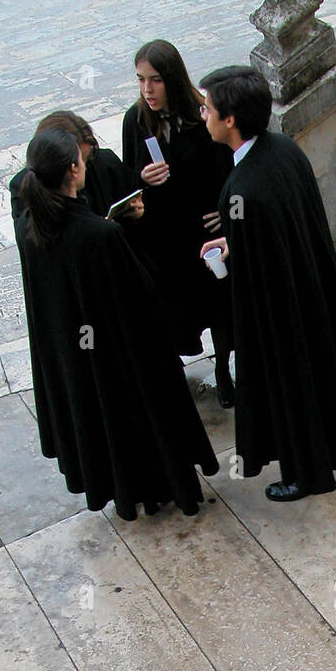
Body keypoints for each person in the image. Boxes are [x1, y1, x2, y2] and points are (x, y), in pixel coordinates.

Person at [15, 126, 219, 520]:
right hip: (121, 355)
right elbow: (139, 291)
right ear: (74, 169)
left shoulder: (28, 227)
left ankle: (127, 492)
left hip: (75, 355)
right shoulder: (99, 234)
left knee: (105, 425)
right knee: (140, 422)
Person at [199, 67, 336, 503]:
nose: (203, 115)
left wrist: (229, 257)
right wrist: (236, 242)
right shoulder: (280, 150)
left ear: (231, 120)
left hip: (281, 314)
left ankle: (308, 474)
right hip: (310, 291)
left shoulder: (244, 187)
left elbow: (261, 256)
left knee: (292, 387)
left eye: (208, 108)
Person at [122, 40, 234, 407]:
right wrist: (143, 180)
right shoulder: (135, 120)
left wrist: (223, 210)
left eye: (154, 80)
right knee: (167, 304)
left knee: (217, 302)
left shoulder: (202, 117)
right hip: (161, 232)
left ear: (171, 78)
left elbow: (226, 164)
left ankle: (223, 369)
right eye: (141, 80)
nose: (147, 90)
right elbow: (128, 181)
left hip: (200, 229)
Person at [10, 111, 143, 225]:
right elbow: (33, 245)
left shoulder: (105, 162)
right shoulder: (23, 186)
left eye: (86, 159)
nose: (82, 168)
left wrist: (135, 214)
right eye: (77, 161)